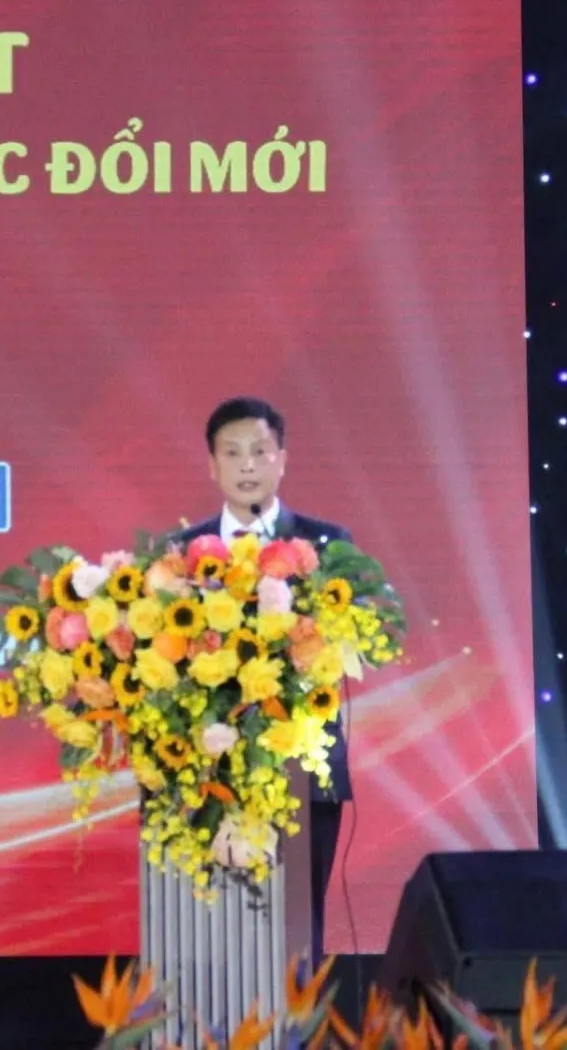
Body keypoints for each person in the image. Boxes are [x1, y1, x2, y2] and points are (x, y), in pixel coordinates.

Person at [174, 396, 351, 963]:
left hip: (303, 765)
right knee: (211, 934)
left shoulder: (326, 545)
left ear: (282, 460)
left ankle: (298, 1017)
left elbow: (353, 640)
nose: (247, 464)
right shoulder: (180, 554)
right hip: (208, 770)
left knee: (299, 929)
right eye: (232, 453)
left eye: (259, 451)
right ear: (213, 466)